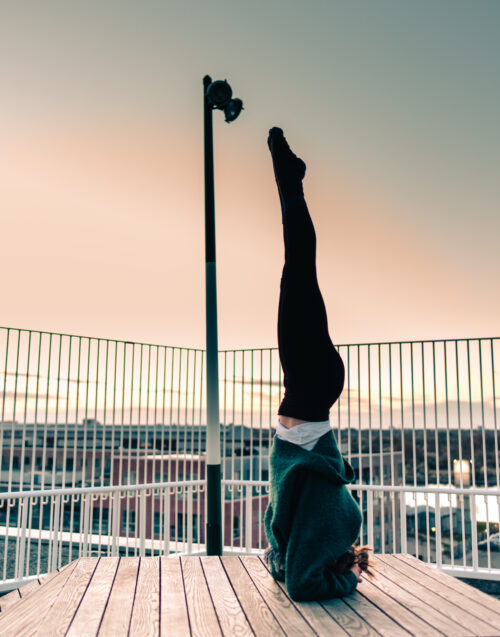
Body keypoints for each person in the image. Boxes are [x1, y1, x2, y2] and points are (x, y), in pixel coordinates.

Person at [263, 127, 374, 601]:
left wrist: (285, 561)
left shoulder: (311, 526)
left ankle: (291, 180)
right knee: (298, 267)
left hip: (311, 392)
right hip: (309, 391)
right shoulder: (330, 517)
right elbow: (303, 585)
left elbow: (282, 560)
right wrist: (345, 579)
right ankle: (291, 180)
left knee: (298, 271)